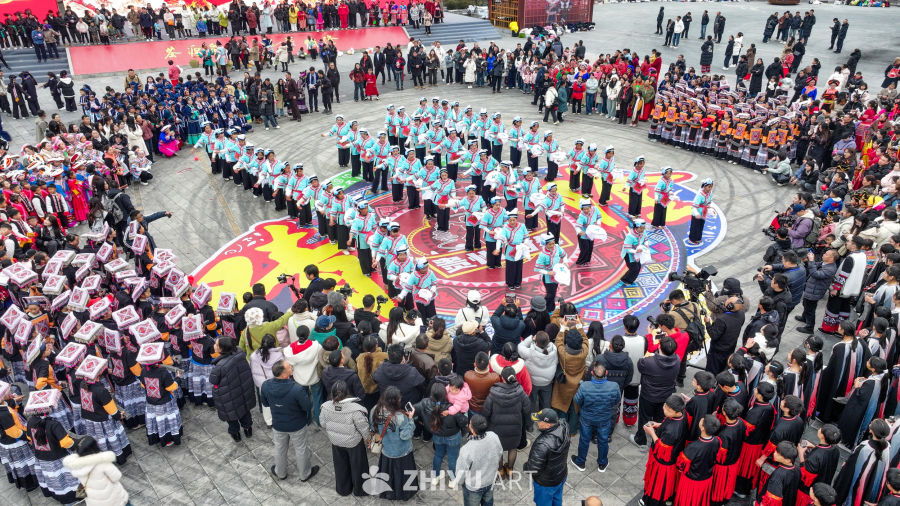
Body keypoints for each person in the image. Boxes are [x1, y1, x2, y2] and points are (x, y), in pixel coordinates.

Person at [319, 380, 369, 497]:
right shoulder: (355, 409)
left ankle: (343, 489)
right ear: (347, 392)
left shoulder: (325, 407)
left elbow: (323, 424)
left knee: (340, 466)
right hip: (354, 443)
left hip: (336, 442)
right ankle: (360, 490)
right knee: (358, 467)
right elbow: (364, 428)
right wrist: (368, 440)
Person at [570, 362, 621, 473]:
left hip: (587, 418)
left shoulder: (584, 386)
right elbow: (617, 400)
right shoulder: (614, 386)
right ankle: (602, 464)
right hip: (604, 418)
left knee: (584, 440)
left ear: (592, 373)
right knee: (603, 441)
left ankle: (581, 462)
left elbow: (577, 400)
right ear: (606, 373)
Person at [370, 385, 418, 500]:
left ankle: (388, 492)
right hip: (402, 451)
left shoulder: (374, 410)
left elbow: (373, 427)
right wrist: (411, 419)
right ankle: (404, 493)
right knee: (404, 475)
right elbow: (405, 435)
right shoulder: (400, 417)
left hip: (386, 450)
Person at [482, 366, 531, 478]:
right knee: (513, 447)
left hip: (496, 428)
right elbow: (527, 409)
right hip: (515, 427)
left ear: (502, 378)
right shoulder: (520, 392)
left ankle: (500, 470)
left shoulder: (493, 393)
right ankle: (510, 469)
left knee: (498, 449)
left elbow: (486, 412)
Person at [632, 336, 680, 448]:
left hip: (648, 395)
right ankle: (656, 438)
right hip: (666, 395)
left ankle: (641, 439)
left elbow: (640, 364)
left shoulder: (649, 362)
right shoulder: (677, 360)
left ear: (659, 347)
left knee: (644, 417)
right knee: (660, 417)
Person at [209, 336, 257, 442]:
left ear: (222, 349)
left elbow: (213, 380)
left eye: (216, 344)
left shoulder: (220, 366)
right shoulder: (240, 353)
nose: (214, 346)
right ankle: (248, 429)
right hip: (243, 390)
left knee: (231, 416)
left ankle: (236, 434)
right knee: (245, 411)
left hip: (228, 395)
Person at [62, 436, 130, 506]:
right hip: (114, 499)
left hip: (94, 501)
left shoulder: (76, 465)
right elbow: (116, 477)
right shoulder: (102, 462)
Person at [523, 408, 570, 506]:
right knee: (557, 499)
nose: (537, 423)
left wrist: (526, 467)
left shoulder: (542, 444)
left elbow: (533, 468)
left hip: (546, 483)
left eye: (539, 421)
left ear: (548, 425)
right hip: (561, 475)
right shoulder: (564, 426)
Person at [456, 414, 503, 506]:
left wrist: (461, 482)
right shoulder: (494, 436)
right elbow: (500, 453)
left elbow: (461, 473)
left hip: (473, 486)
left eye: (470, 423)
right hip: (490, 480)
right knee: (488, 503)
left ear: (472, 429)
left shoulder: (466, 449)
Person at [674, 414, 721, 506]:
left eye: (703, 420)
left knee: (687, 501)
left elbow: (681, 466)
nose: (701, 419)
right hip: (706, 477)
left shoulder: (693, 446)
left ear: (703, 428)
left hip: (691, 481)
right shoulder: (717, 440)